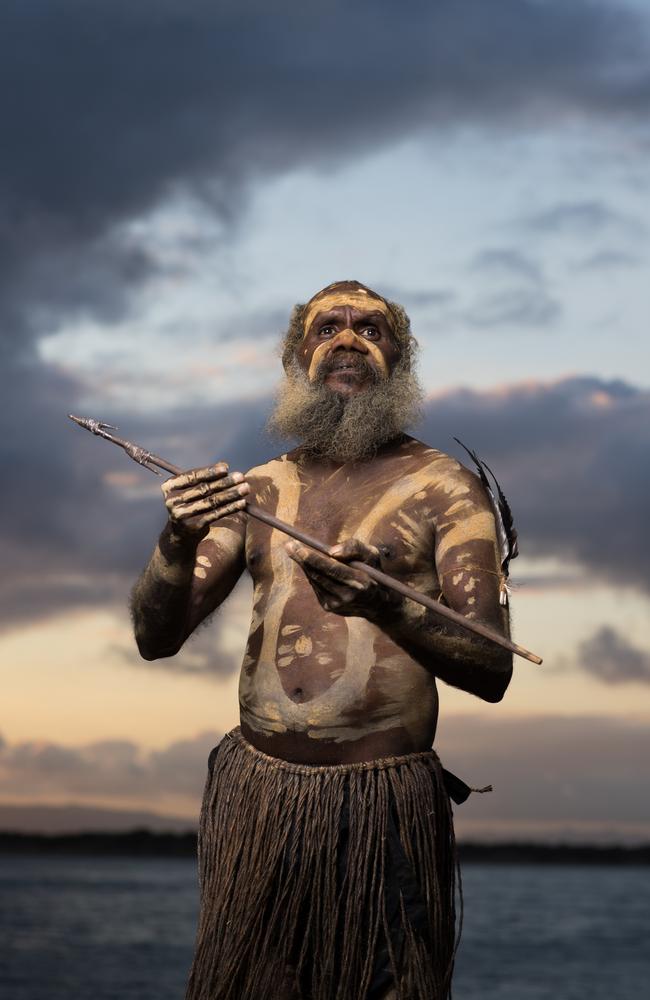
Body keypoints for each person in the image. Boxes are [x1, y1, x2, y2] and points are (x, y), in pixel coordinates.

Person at [131, 280, 513, 1000]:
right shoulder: (263, 489)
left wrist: (391, 610)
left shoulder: (446, 489)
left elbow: (492, 666)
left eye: (370, 328)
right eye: (326, 328)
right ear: (295, 359)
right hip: (260, 800)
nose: (347, 339)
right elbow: (156, 636)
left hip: (380, 807)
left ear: (399, 359)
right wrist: (176, 541)